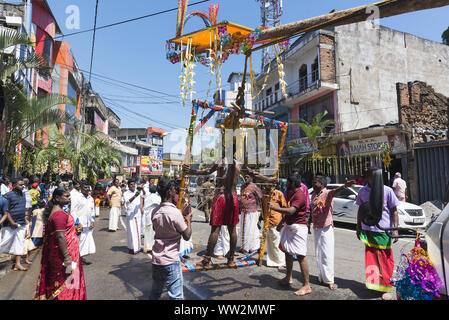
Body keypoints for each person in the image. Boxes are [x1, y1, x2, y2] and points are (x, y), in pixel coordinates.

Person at [183, 156, 243, 268]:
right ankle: (231, 260)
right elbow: (254, 174)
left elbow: (206, 171)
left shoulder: (221, 161)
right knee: (232, 229)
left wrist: (190, 171)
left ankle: (206, 261)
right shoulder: (239, 163)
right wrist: (270, 180)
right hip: (233, 197)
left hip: (221, 196)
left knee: (215, 230)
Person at [34, 188, 86, 300]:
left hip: (68, 252)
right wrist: (67, 257)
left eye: (69, 196)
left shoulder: (59, 212)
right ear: (57, 198)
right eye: (66, 196)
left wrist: (74, 230)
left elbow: (62, 232)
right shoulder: (59, 215)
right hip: (65, 255)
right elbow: (60, 236)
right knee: (68, 282)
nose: (69, 198)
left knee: (71, 281)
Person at [356, 167, 399, 300]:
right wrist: (358, 228)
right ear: (368, 177)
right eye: (373, 177)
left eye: (378, 177)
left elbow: (394, 211)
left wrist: (395, 229)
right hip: (368, 230)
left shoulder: (387, 191)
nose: (375, 180)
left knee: (385, 260)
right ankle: (374, 284)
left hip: (383, 231)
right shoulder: (362, 192)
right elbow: (360, 212)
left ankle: (386, 287)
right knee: (371, 259)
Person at [309, 175, 356, 291]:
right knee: (318, 253)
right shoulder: (314, 195)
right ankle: (321, 277)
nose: (313, 184)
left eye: (315, 182)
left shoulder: (327, 193)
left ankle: (329, 280)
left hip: (326, 227)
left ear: (322, 184)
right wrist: (309, 222)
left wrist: (344, 186)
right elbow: (313, 211)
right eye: (313, 182)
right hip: (316, 227)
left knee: (327, 254)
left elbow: (335, 191)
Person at [150, 177, 192, 300]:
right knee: (176, 296)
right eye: (174, 189)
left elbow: (156, 229)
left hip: (157, 260)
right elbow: (187, 235)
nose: (175, 191)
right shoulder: (175, 213)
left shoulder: (155, 211)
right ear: (169, 191)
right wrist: (188, 221)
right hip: (171, 261)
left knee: (155, 293)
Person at [269, 175, 312, 296]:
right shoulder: (289, 192)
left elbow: (291, 211)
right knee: (287, 252)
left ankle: (306, 285)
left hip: (299, 228)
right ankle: (288, 278)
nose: (285, 183)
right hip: (290, 226)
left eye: (287, 182)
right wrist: (282, 223)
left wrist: (273, 207)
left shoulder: (299, 195)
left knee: (300, 256)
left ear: (292, 183)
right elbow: (288, 211)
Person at [0, 178, 31, 271]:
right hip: (10, 225)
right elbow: (6, 210)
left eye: (23, 184)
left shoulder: (24, 194)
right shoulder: (8, 196)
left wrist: (25, 219)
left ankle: (17, 264)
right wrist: (11, 222)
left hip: (21, 223)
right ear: (14, 186)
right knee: (4, 242)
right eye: (20, 184)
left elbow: (24, 208)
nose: (23, 186)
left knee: (20, 243)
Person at [70, 181, 96, 264]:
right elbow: (73, 211)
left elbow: (92, 211)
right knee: (78, 242)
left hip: (88, 225)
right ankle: (75, 260)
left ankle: (81, 258)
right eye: (85, 187)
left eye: (88, 187)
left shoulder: (91, 199)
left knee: (85, 243)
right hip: (79, 224)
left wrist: (92, 220)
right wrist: (77, 222)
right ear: (80, 188)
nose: (87, 189)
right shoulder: (76, 197)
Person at [240, 173, 263, 254]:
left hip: (252, 212)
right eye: (245, 176)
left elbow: (261, 197)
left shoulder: (254, 187)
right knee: (244, 229)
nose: (245, 178)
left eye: (247, 177)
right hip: (243, 211)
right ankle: (244, 247)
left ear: (252, 178)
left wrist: (261, 212)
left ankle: (253, 247)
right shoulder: (243, 186)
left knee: (252, 229)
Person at [266, 183, 287, 269]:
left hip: (277, 221)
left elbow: (285, 207)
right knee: (271, 244)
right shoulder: (265, 195)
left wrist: (283, 221)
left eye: (268, 185)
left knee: (277, 243)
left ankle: (280, 263)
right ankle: (272, 262)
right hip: (268, 222)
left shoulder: (279, 194)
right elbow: (264, 207)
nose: (267, 186)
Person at [123, 180, 142, 254]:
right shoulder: (126, 193)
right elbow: (128, 201)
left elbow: (144, 197)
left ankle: (136, 247)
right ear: (128, 185)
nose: (133, 186)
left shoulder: (137, 191)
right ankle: (131, 247)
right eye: (131, 184)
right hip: (130, 214)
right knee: (130, 232)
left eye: (134, 184)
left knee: (137, 231)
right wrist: (135, 196)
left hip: (137, 214)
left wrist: (142, 189)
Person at [140, 184, 161, 253]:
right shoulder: (156, 197)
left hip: (148, 216)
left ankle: (148, 247)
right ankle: (151, 247)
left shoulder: (148, 197)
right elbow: (159, 204)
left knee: (148, 232)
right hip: (152, 216)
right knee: (152, 232)